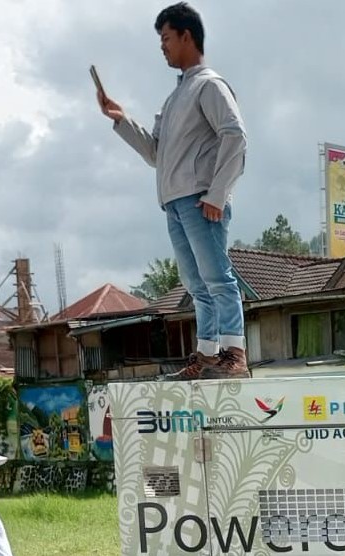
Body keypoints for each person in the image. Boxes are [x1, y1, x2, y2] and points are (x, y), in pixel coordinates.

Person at [98, 2, 250, 381]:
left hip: (201, 199)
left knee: (217, 278)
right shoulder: (173, 98)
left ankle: (235, 353)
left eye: (166, 38)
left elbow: (235, 136)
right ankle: (207, 355)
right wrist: (121, 119)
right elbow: (156, 153)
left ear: (186, 36)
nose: (162, 46)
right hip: (174, 202)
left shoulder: (209, 85)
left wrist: (217, 194)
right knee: (197, 285)